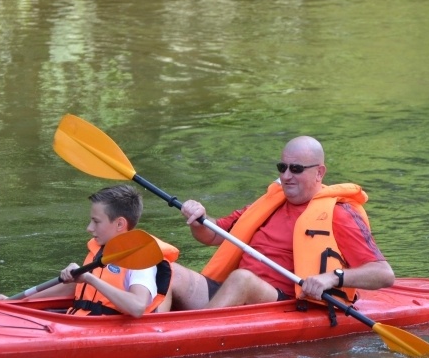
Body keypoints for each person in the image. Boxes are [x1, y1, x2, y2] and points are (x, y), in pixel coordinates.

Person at [160, 135, 394, 316]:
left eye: (296, 169)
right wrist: (198, 217)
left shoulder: (339, 214)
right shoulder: (269, 203)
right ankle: (153, 331)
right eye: (282, 168)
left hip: (284, 304)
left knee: (242, 279)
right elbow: (212, 236)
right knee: (167, 268)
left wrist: (331, 278)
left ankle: (192, 333)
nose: (286, 176)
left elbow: (383, 274)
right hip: (233, 293)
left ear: (319, 173)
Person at [0, 185, 178, 318]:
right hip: (78, 320)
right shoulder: (101, 250)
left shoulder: (140, 260)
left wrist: (90, 278)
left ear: (120, 224)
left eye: (96, 221)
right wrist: (14, 303)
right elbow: (75, 286)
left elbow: (137, 307)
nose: (89, 228)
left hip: (106, 331)